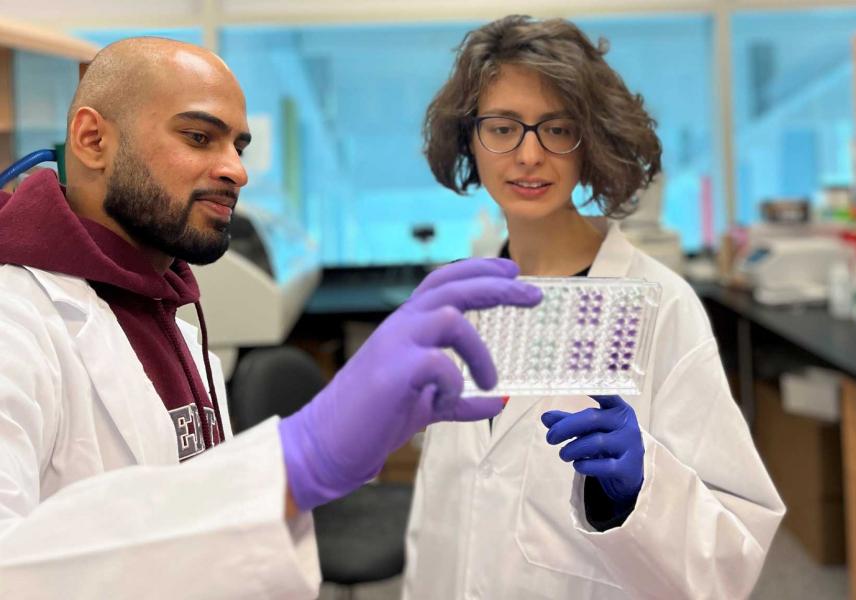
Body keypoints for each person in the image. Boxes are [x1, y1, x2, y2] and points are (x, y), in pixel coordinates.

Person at [0, 38, 542, 597]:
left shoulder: (168, 314)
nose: (236, 169)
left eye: (238, 145)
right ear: (93, 139)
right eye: (198, 136)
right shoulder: (15, 323)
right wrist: (297, 458)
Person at [403, 15, 785, 600]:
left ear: (593, 143)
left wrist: (637, 491)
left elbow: (733, 554)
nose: (528, 155)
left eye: (557, 130)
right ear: (468, 140)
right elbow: (442, 503)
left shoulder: (660, 307)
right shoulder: (455, 298)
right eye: (503, 128)